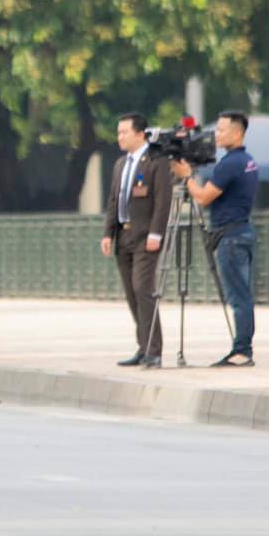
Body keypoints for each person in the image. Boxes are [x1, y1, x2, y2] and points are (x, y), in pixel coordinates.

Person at [169, 111, 259, 367]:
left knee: (239, 296)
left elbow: (202, 197)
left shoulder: (230, 163)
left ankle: (242, 351)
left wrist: (186, 176)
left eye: (222, 130)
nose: (216, 135)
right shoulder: (247, 160)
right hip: (242, 231)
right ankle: (242, 348)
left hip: (231, 236)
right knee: (243, 295)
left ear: (237, 133)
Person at [102, 112, 171, 368]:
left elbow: (163, 200)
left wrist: (156, 233)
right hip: (124, 235)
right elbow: (114, 200)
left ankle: (154, 350)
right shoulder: (120, 164)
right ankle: (143, 347)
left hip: (145, 236)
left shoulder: (156, 161)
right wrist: (108, 233)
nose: (119, 137)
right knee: (132, 293)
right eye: (118, 132)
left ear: (140, 134)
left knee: (143, 288)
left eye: (124, 132)